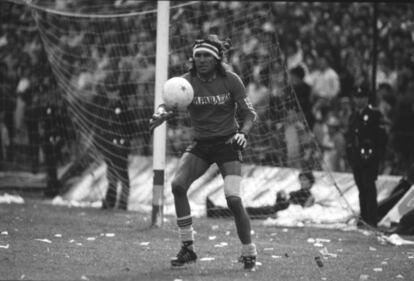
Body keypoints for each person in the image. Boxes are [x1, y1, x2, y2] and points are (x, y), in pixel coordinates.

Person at [149, 34, 258, 270]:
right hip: (201, 145)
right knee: (178, 185)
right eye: (197, 55)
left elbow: (250, 114)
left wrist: (244, 133)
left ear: (217, 58)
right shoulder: (185, 82)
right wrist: (160, 113)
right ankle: (188, 248)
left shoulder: (231, 79)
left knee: (233, 199)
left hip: (228, 144)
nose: (201, 59)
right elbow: (167, 103)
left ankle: (249, 251)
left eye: (206, 55)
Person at [345, 86, 387, 228]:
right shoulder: (354, 116)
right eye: (356, 97)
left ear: (366, 98)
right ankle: (364, 217)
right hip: (357, 158)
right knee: (361, 189)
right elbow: (350, 137)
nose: (358, 100)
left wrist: (377, 156)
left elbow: (380, 137)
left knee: (369, 189)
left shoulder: (374, 115)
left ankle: (372, 219)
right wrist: (350, 156)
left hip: (369, 158)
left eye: (361, 97)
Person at [94, 75, 135, 211]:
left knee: (122, 174)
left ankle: (122, 202)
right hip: (108, 146)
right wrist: (98, 143)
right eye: (110, 91)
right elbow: (100, 127)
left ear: (118, 92)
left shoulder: (123, 107)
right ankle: (110, 200)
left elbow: (131, 126)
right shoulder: (105, 108)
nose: (112, 94)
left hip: (121, 145)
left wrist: (125, 141)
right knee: (111, 173)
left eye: (114, 91)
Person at [206, 170, 316, 219]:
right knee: (246, 210)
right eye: (301, 179)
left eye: (305, 180)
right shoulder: (298, 192)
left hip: (273, 212)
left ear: (310, 182)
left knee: (246, 212)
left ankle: (215, 212)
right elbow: (281, 204)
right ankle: (216, 210)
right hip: (273, 209)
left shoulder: (309, 195)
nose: (302, 182)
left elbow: (304, 209)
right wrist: (280, 196)